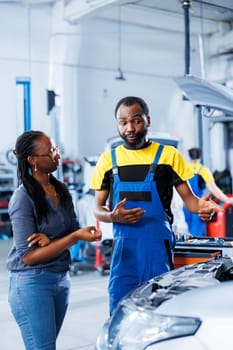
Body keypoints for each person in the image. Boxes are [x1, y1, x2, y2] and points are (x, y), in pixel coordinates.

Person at [90, 96, 219, 314]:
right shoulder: (107, 160)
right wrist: (113, 217)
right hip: (124, 252)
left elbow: (190, 201)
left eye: (136, 120)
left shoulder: (168, 156)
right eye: (123, 123)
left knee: (159, 309)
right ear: (118, 124)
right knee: (120, 309)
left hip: (157, 249)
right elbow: (98, 208)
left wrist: (203, 208)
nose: (130, 128)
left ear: (148, 120)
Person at [6, 130, 102, 350]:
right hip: (32, 282)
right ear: (33, 161)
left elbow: (74, 229)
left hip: (60, 279)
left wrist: (53, 240)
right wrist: (72, 237)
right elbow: (29, 257)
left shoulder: (61, 189)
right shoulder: (22, 198)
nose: (57, 155)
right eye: (50, 151)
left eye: (55, 148)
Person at [183, 147, 233, 236]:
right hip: (198, 206)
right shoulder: (203, 170)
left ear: (189, 156)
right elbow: (213, 189)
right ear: (200, 157)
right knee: (197, 235)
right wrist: (227, 200)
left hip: (185, 206)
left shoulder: (183, 168)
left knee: (187, 233)